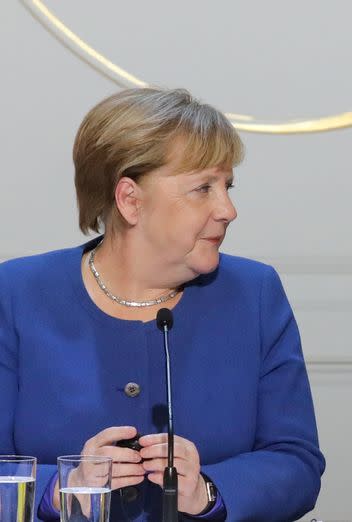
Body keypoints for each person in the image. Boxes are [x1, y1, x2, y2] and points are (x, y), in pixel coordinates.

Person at [0, 88, 325, 521]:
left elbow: (296, 462)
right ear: (130, 200)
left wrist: (209, 490)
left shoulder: (255, 293)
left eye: (227, 187)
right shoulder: (16, 293)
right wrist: (60, 488)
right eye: (202, 189)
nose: (228, 209)